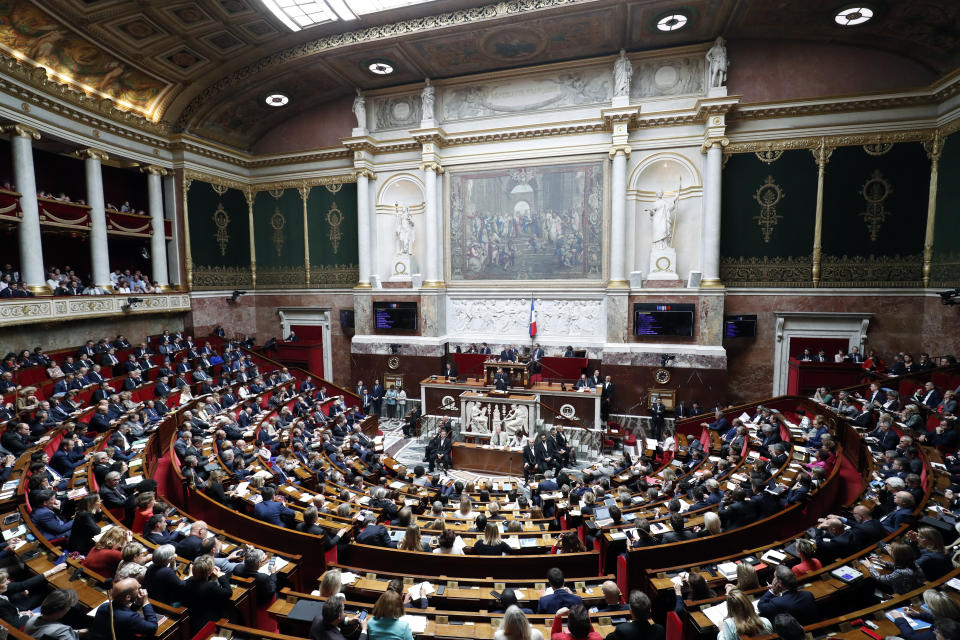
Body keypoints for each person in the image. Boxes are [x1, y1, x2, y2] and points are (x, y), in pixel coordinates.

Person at [89, 577, 158, 640]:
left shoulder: (104, 606)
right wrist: (145, 602)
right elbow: (153, 628)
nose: (140, 586)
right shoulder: (130, 618)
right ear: (128, 597)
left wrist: (137, 604)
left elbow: (124, 614)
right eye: (137, 588)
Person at [182, 555, 235, 633]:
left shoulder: (189, 581)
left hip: (192, 618)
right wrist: (220, 576)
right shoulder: (210, 586)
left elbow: (202, 582)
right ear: (209, 572)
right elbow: (228, 593)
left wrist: (211, 576)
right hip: (207, 622)